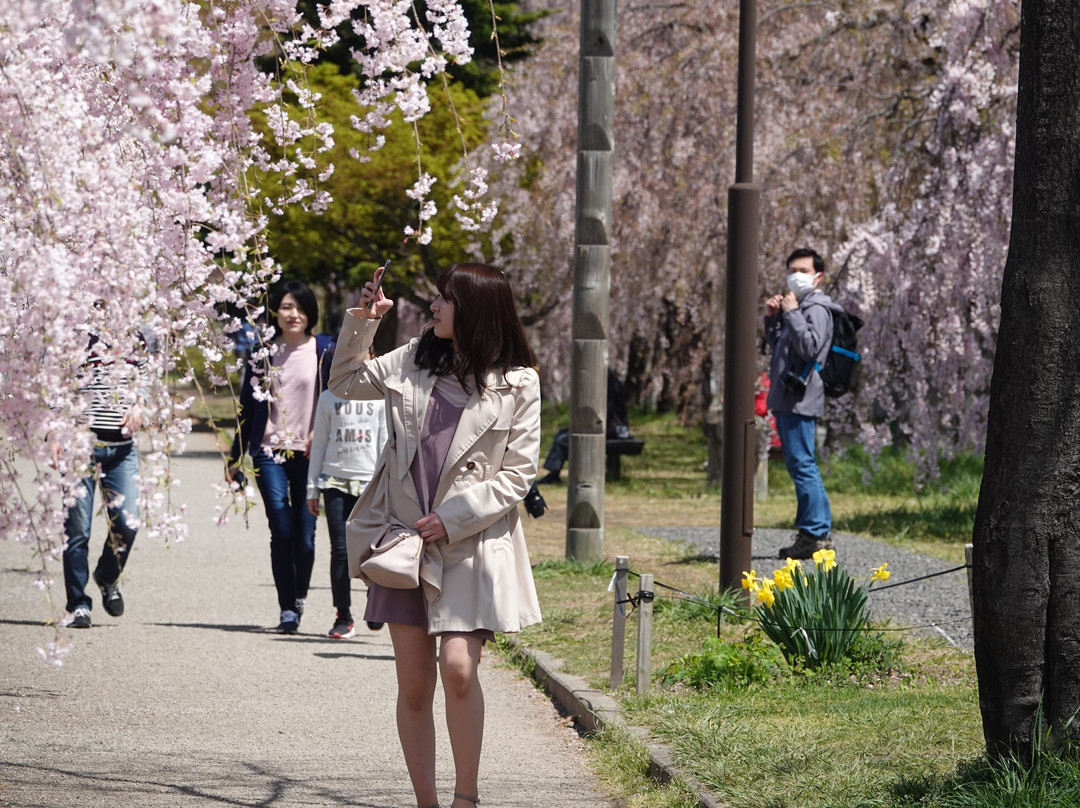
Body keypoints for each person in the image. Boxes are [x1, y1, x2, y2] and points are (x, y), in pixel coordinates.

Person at [328, 262, 542, 808]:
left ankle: (465, 797)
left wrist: (454, 517)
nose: (434, 307)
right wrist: (364, 320)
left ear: (476, 309)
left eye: (446, 298)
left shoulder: (519, 382)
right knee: (416, 684)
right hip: (404, 542)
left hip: (471, 545)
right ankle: (426, 801)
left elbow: (518, 474)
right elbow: (344, 382)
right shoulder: (413, 359)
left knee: (460, 669)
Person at [227, 280, 334, 634]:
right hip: (269, 451)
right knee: (281, 528)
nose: (294, 314)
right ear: (275, 312)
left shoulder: (324, 350)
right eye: (287, 307)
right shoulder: (262, 353)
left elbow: (338, 398)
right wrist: (235, 457)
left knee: (305, 536)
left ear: (310, 313)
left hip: (309, 452)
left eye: (300, 308)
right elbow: (246, 406)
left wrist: (322, 429)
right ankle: (287, 609)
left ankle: (299, 597)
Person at [59, 317, 151, 629]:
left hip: (122, 448)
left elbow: (145, 376)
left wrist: (139, 404)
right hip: (80, 444)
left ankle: (107, 575)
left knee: (128, 523)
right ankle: (78, 605)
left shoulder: (136, 332)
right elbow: (54, 379)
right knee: (77, 531)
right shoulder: (74, 330)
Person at [764, 247, 845, 559]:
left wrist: (792, 313)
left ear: (818, 277)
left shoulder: (817, 309)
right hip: (789, 398)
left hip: (801, 399)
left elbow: (810, 348)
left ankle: (814, 533)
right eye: (792, 270)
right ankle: (816, 532)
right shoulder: (799, 307)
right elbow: (783, 349)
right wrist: (774, 319)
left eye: (803, 271)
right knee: (801, 464)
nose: (796, 276)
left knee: (802, 465)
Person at [305, 365, 388, 638]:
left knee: (372, 550)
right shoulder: (328, 397)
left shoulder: (380, 397)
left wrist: (386, 486)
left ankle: (376, 602)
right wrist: (312, 489)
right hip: (335, 482)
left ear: (372, 358)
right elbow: (319, 443)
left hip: (369, 485)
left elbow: (385, 443)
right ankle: (343, 616)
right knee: (340, 551)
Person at [537, 368, 633, 484]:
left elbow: (602, 412)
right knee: (562, 433)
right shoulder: (607, 381)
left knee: (563, 440)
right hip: (609, 426)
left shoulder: (608, 384)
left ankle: (554, 474)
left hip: (612, 428)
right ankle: (553, 473)